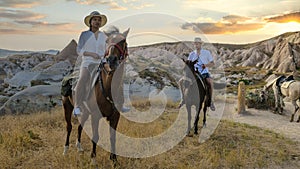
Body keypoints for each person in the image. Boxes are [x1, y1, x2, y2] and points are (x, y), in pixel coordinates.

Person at [187, 37, 216, 111]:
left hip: (204, 73)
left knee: (210, 83)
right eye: (195, 44)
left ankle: (210, 101)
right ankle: (183, 99)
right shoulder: (191, 54)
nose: (196, 45)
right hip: (194, 74)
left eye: (198, 44)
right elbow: (188, 64)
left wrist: (205, 65)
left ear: (201, 44)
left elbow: (212, 63)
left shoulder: (206, 53)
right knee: (181, 81)